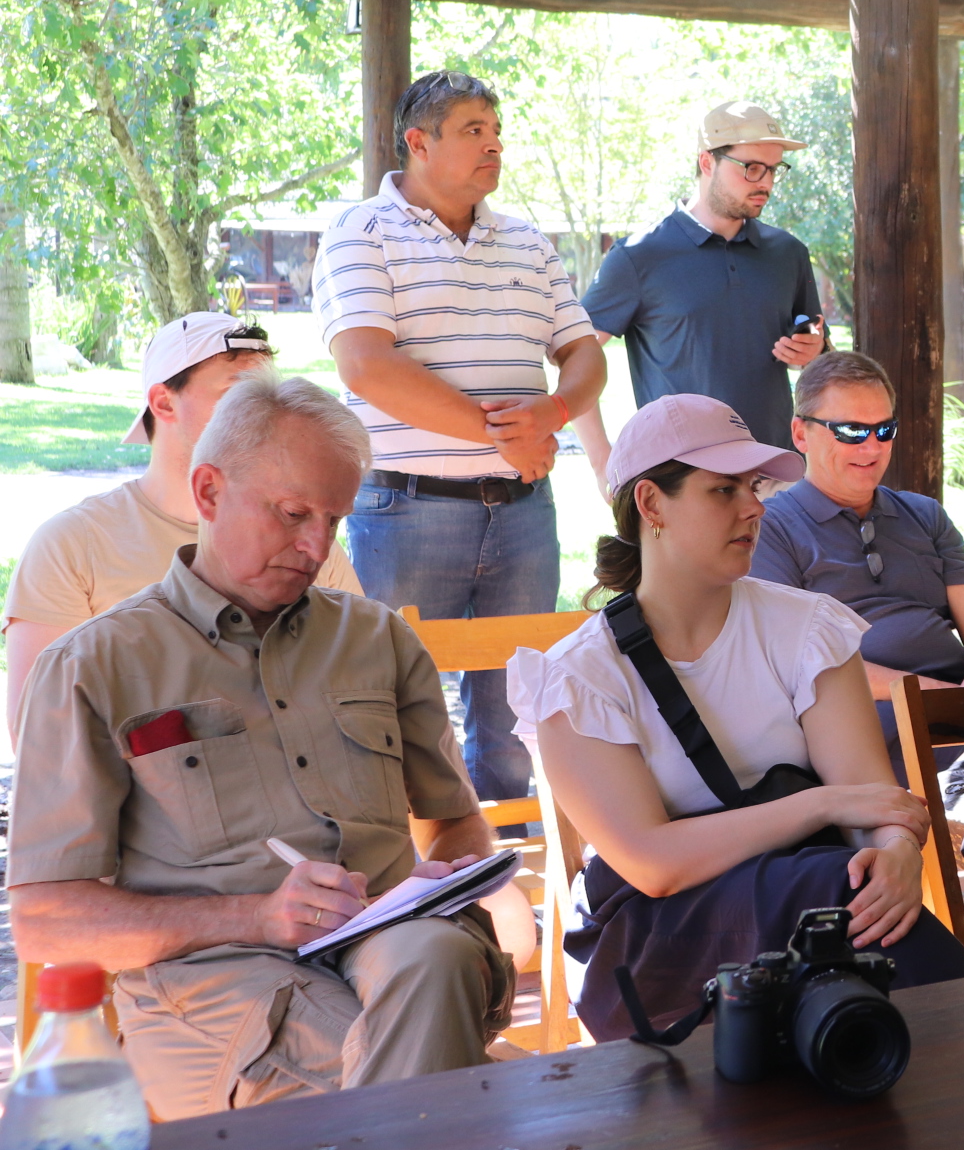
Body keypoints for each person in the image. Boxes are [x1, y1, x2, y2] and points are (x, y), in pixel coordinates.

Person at [7, 378, 516, 1119]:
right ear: (209, 492)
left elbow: (453, 822)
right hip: (213, 989)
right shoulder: (95, 666)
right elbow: (45, 920)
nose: (317, 547)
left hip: (387, 950)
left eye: (334, 520)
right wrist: (255, 917)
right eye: (293, 513)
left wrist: (446, 879)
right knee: (434, 1070)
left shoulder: (377, 639)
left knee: (434, 957)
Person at [505, 394, 964, 1038]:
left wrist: (895, 853)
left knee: (853, 897)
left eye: (753, 487)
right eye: (723, 490)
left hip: (812, 913)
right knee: (839, 893)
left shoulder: (808, 629)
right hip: (656, 946)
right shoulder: (578, 677)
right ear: (650, 504)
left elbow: (872, 804)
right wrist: (821, 805)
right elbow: (652, 864)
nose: (754, 507)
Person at [315, 70, 607, 816]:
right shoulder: (359, 232)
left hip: (524, 508)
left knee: (518, 709)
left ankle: (506, 861)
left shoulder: (529, 243)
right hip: (406, 510)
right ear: (419, 142)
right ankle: (403, 863)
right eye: (474, 130)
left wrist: (553, 413)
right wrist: (507, 437)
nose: (494, 144)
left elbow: (586, 356)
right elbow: (366, 367)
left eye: (496, 129)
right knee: (387, 703)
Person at [4, 312, 364, 737]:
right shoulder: (71, 544)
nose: (267, 415)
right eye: (240, 394)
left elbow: (360, 684)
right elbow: (39, 735)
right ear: (163, 402)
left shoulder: (309, 541)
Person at [572, 101, 826, 488]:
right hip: (682, 483)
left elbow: (817, 341)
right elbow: (575, 357)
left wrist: (813, 347)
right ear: (707, 162)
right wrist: (602, 462)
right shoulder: (638, 256)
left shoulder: (788, 253)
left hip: (779, 475)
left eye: (774, 169)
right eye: (752, 167)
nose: (766, 183)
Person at [750, 353, 964, 698]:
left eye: (884, 430)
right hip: (859, 711)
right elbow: (793, 656)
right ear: (801, 434)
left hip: (963, 699)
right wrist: (941, 698)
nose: (872, 447)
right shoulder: (770, 528)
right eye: (851, 431)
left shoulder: (926, 515)